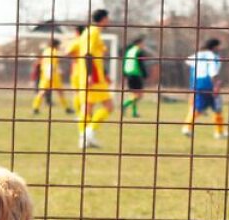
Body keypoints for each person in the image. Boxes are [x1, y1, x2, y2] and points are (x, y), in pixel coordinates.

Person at [74, 9, 114, 149]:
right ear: (103, 19)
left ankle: (83, 139)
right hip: (93, 75)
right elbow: (88, 54)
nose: (108, 22)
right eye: (107, 19)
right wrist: (91, 74)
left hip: (87, 73)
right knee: (109, 106)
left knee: (87, 107)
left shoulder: (87, 32)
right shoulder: (94, 32)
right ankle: (88, 133)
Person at [184, 37, 228, 139]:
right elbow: (213, 72)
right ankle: (219, 132)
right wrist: (216, 85)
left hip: (197, 84)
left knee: (198, 107)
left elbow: (188, 61)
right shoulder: (213, 56)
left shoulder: (197, 54)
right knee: (217, 108)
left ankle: (187, 127)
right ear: (215, 46)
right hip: (209, 84)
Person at [31, 39, 72, 115]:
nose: (59, 47)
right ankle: (67, 108)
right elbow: (51, 64)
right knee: (59, 92)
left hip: (45, 74)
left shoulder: (46, 51)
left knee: (42, 92)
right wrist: (50, 75)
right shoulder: (53, 52)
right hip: (52, 75)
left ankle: (35, 108)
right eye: (59, 45)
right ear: (56, 45)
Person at [121, 36, 150, 118]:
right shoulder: (138, 51)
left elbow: (124, 62)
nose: (143, 45)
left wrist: (124, 74)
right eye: (142, 43)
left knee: (134, 95)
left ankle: (134, 112)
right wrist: (145, 74)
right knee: (139, 95)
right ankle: (124, 104)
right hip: (136, 74)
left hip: (129, 74)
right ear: (138, 43)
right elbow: (141, 64)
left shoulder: (129, 51)